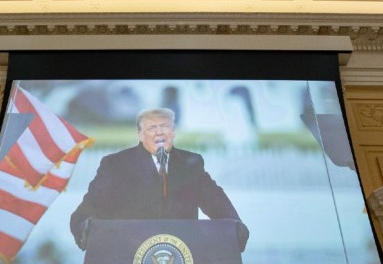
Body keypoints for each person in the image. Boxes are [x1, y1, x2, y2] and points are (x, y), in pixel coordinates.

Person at [70, 107, 249, 252]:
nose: (159, 133)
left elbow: (215, 200)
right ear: (140, 135)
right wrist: (84, 226)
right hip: (129, 257)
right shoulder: (116, 164)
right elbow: (87, 211)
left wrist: (235, 226)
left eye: (164, 127)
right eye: (151, 128)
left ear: (173, 132)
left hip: (182, 257)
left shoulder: (191, 164)